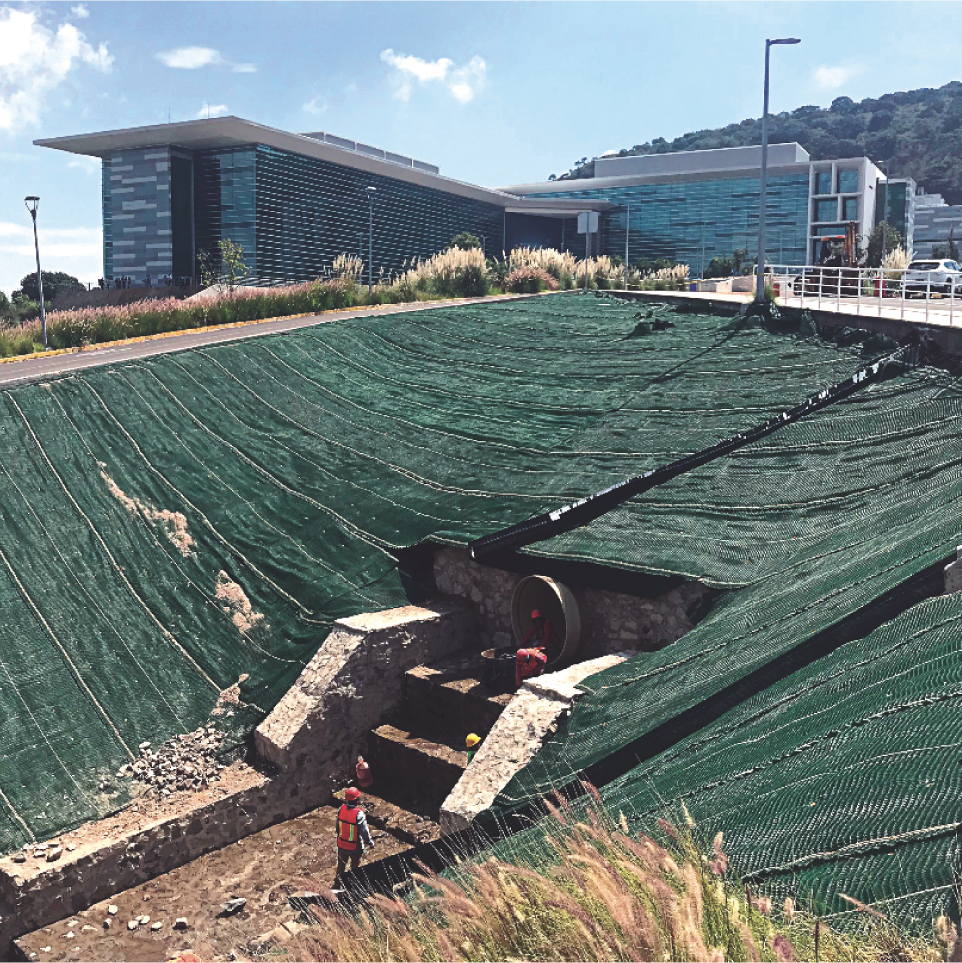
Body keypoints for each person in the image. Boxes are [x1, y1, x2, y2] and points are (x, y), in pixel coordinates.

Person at [335, 787, 373, 881]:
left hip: (341, 844)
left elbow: (337, 827)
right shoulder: (359, 814)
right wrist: (369, 842)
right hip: (355, 847)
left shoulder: (341, 809)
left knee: (340, 868)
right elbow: (364, 831)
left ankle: (338, 884)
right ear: (356, 800)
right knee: (355, 868)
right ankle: (353, 884)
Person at [515, 609, 554, 688]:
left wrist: (539, 648)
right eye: (536, 620)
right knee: (533, 645)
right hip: (540, 642)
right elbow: (528, 637)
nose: (538, 622)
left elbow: (547, 637)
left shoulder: (547, 624)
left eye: (539, 620)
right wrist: (520, 646)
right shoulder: (535, 626)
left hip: (551, 641)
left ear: (541, 619)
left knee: (544, 649)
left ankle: (548, 667)